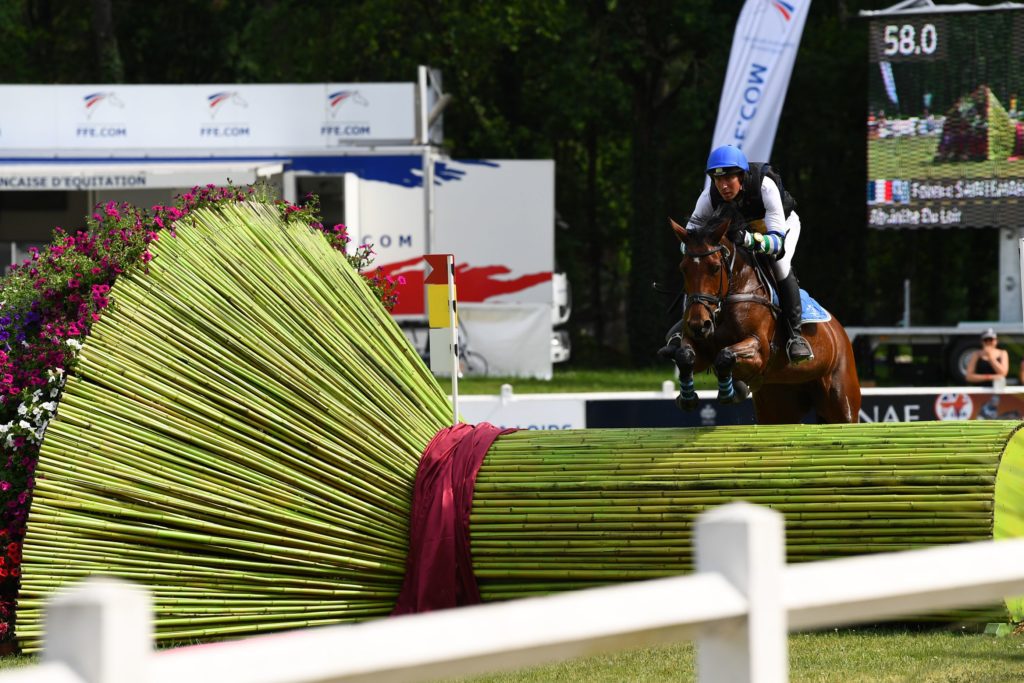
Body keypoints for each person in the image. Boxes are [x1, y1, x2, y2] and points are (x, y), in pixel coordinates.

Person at [685, 145, 813, 364]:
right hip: (749, 232)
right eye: (717, 180)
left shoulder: (765, 187)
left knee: (780, 265)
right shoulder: (709, 196)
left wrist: (747, 240)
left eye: (728, 180)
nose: (723, 186)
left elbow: (776, 244)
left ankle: (795, 335)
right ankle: (683, 330)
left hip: (782, 229)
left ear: (742, 176)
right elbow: (688, 237)